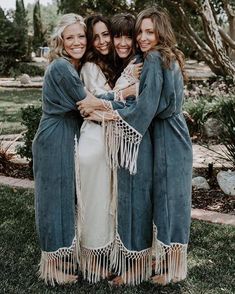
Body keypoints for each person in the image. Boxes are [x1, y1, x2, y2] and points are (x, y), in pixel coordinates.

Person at [79, 6, 192, 286]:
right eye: (139, 31)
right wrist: (114, 100)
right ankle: (152, 264)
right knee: (162, 203)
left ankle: (173, 268)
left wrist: (105, 111)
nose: (141, 37)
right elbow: (146, 99)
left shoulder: (154, 58)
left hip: (168, 137)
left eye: (148, 31)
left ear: (161, 32)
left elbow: (144, 109)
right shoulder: (158, 57)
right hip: (164, 134)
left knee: (169, 203)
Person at [32, 13, 119, 286]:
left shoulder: (73, 66)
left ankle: (74, 256)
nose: (77, 42)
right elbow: (87, 103)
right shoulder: (61, 68)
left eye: (81, 36)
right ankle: (52, 268)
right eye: (70, 37)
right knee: (54, 202)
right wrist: (125, 100)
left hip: (68, 135)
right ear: (60, 41)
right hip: (55, 137)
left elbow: (94, 102)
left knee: (69, 202)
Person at [76, 14, 141, 283]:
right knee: (95, 200)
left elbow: (105, 103)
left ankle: (109, 253)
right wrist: (125, 90)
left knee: (108, 201)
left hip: (111, 139)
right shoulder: (91, 67)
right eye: (97, 37)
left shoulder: (117, 64)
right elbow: (93, 105)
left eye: (107, 35)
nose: (104, 41)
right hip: (95, 141)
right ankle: (90, 258)